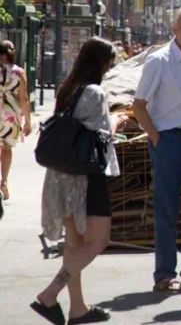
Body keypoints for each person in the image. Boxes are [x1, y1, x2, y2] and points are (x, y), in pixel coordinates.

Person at [33, 37, 121, 325]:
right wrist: (117, 122)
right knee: (98, 240)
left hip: (61, 175)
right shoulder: (95, 92)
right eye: (110, 61)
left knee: (74, 244)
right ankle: (50, 294)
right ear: (101, 62)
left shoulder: (68, 87)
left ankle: (78, 308)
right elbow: (101, 136)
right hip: (87, 176)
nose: (111, 67)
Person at [132, 6, 181, 293]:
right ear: (174, 30)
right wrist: (156, 138)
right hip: (169, 141)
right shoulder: (159, 61)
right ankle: (164, 275)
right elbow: (138, 106)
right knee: (167, 210)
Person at [0, 40, 31, 201]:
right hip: (11, 116)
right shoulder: (19, 73)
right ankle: (4, 182)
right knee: (6, 148)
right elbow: (24, 98)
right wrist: (28, 122)